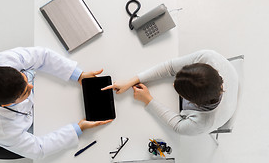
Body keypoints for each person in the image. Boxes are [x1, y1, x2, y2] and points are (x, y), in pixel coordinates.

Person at [0, 46, 112, 159]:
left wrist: (78, 75)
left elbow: (42, 56)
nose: (31, 87)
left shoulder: (2, 60)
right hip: (0, 131)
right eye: (25, 92)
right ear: (7, 105)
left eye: (25, 79)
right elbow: (39, 149)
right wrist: (78, 128)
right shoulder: (4, 130)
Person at [102, 50, 238, 135]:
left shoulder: (203, 123)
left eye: (179, 90)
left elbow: (178, 126)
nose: (172, 84)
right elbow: (169, 67)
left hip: (225, 109)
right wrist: (130, 82)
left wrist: (148, 100)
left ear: (194, 102)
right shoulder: (208, 57)